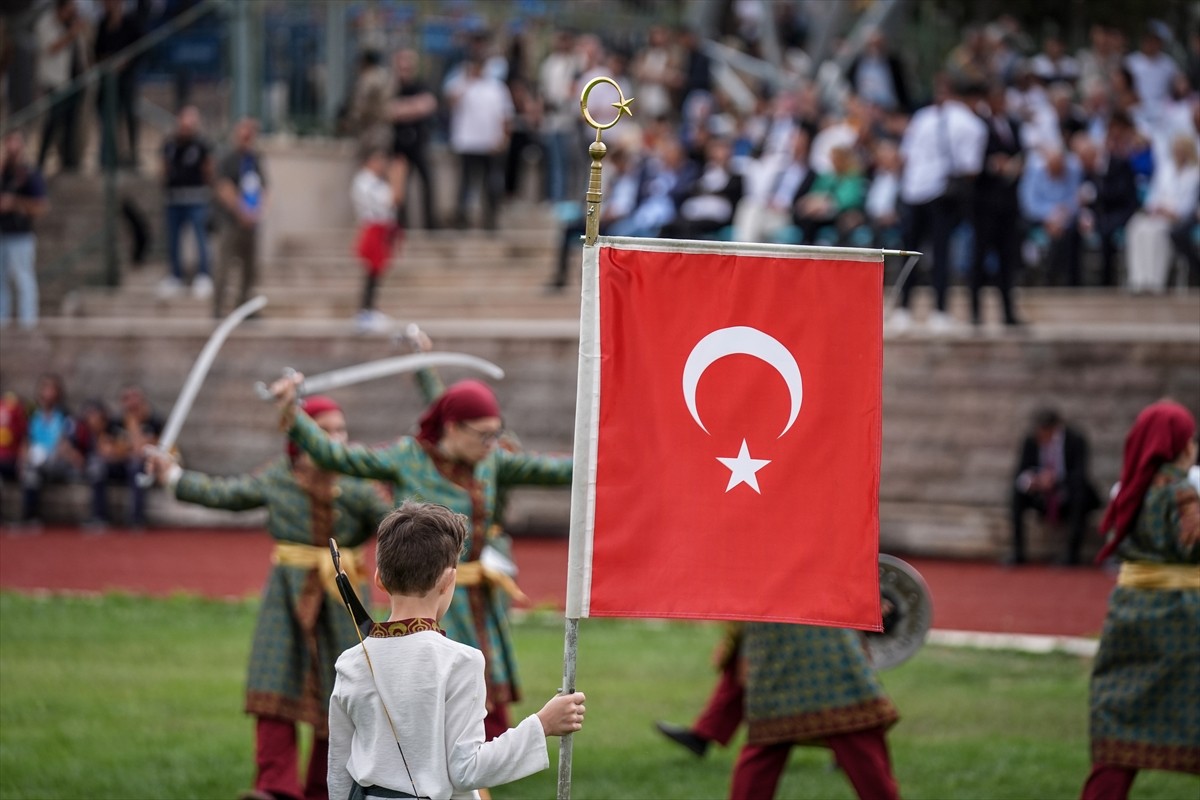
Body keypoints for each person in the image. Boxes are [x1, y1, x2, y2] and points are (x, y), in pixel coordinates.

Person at [272, 374, 572, 743]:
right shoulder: (407, 456)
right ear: (453, 428)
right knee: (435, 670)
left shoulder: (491, 460)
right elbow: (339, 456)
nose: (491, 444)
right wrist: (292, 411)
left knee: (484, 668)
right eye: (483, 435)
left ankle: (492, 747)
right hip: (427, 590)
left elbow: (553, 470)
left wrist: (607, 454)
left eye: (496, 434)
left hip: (477, 589)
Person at [147, 395, 393, 800]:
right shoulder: (278, 477)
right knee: (273, 684)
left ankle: (325, 788)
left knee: (343, 692)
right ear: (301, 438)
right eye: (325, 430)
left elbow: (394, 524)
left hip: (342, 602)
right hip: (286, 596)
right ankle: (274, 787)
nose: (336, 438)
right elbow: (225, 493)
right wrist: (172, 475)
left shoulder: (359, 487)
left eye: (340, 431)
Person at [327, 502, 586, 800]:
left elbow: (338, 770)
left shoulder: (349, 663)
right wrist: (542, 724)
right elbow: (467, 770)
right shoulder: (462, 661)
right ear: (450, 580)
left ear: (379, 580)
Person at [1080, 400, 1199, 798]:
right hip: (1182, 622)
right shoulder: (1183, 495)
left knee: (1120, 727)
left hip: (1128, 612)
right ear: (1182, 444)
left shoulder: (1130, 488)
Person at [657, 624, 902, 800]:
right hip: (797, 636)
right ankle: (703, 734)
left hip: (796, 637)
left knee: (854, 733)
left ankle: (703, 734)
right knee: (854, 732)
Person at [892, 76, 986, 333]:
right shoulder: (972, 124)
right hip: (941, 193)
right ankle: (939, 311)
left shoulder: (922, 117)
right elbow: (971, 168)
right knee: (941, 253)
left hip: (913, 191)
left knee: (909, 253)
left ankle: (903, 310)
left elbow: (904, 157)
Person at [1009, 407, 1101, 566]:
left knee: (1080, 494)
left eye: (1046, 430)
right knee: (1016, 494)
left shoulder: (1076, 439)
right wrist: (1034, 481)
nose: (1042, 435)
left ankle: (1072, 554)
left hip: (1068, 494)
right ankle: (1018, 552)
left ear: (1055, 428)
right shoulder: (1031, 441)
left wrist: (1055, 481)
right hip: (1042, 496)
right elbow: (1020, 473)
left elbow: (1080, 474)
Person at [971, 82, 1024, 327]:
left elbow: (1022, 154)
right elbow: (973, 163)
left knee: (1007, 259)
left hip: (1008, 203)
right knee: (979, 257)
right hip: (985, 204)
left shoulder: (1013, 125)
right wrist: (994, 165)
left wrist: (1015, 165)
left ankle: (1008, 312)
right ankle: (975, 312)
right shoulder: (978, 127)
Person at [1124, 135, 1200, 293]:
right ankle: (1138, 280)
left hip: (1176, 217)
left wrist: (1169, 212)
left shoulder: (1195, 174)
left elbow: (1189, 204)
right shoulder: (1166, 169)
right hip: (1157, 212)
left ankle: (1155, 282)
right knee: (1136, 227)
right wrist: (1154, 207)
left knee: (1157, 233)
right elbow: (1153, 193)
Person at [446, 54, 513, 230]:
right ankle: (461, 218)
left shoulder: (497, 88)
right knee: (466, 183)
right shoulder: (460, 84)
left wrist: (503, 138)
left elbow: (506, 115)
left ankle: (490, 219)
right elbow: (451, 102)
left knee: (491, 184)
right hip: (467, 143)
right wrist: (466, 81)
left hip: (489, 144)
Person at [213, 118, 267, 319]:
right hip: (232, 221)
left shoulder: (255, 159)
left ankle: (244, 308)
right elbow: (223, 188)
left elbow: (264, 188)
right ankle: (218, 309)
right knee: (224, 267)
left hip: (251, 223)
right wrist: (241, 210)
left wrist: (257, 211)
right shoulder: (228, 159)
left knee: (250, 269)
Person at [160, 106, 214, 299]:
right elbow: (164, 168)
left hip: (196, 197)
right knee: (174, 239)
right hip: (174, 198)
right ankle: (176, 275)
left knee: (201, 238)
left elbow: (208, 169)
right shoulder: (170, 145)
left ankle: (204, 274)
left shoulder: (201, 145)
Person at [351, 148, 406, 333]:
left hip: (381, 229)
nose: (381, 164)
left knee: (376, 273)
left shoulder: (374, 181)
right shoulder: (365, 181)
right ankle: (365, 311)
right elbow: (392, 200)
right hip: (373, 228)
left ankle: (369, 308)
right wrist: (398, 177)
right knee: (372, 272)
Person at [0, 131, 48, 330]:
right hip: (2, 234)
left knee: (23, 279)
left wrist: (15, 203)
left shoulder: (29, 175)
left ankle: (28, 322)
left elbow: (41, 206)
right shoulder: (3, 174)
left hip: (21, 236)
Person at [18, 373, 78, 528]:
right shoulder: (33, 414)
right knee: (30, 473)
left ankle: (30, 517)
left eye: (52, 389)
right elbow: (26, 440)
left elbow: (65, 443)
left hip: (57, 461)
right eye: (45, 388)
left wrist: (49, 456)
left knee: (35, 469)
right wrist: (23, 459)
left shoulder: (64, 415)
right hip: (36, 461)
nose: (48, 393)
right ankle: (29, 518)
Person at [35, 0, 88, 174]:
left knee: (71, 123)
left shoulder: (72, 24)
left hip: (74, 81)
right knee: (53, 122)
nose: (71, 13)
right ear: (60, 8)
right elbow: (51, 47)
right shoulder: (45, 23)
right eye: (68, 9)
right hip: (54, 81)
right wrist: (71, 34)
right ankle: (41, 161)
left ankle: (69, 162)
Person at [389, 48, 440, 230]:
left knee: (427, 183)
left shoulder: (422, 85)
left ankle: (430, 225)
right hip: (398, 146)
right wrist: (413, 107)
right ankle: (401, 226)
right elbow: (388, 111)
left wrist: (403, 109)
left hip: (419, 144)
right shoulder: (391, 87)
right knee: (399, 187)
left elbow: (428, 105)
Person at [93, 0, 144, 169]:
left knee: (129, 117)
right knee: (108, 119)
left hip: (126, 80)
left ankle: (132, 154)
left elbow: (140, 49)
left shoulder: (131, 23)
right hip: (108, 82)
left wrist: (125, 62)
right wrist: (107, 61)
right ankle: (108, 157)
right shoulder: (102, 23)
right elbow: (97, 51)